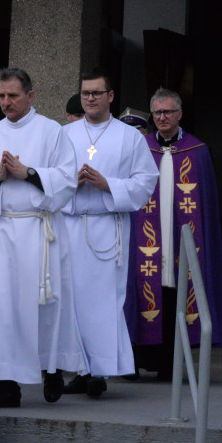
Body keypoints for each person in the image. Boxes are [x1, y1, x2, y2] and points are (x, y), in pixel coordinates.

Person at [0, 68, 87, 407]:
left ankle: (51, 370)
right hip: (1, 232)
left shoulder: (52, 132)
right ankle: (7, 383)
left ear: (30, 96)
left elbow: (65, 180)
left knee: (45, 305)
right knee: (1, 307)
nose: (6, 102)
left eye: (13, 96)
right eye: (2, 96)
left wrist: (29, 173)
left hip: (40, 231)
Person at [61, 72, 158, 397]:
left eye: (97, 93)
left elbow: (146, 181)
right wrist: (68, 183)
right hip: (70, 225)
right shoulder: (64, 134)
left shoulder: (129, 137)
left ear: (110, 96)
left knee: (102, 303)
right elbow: (49, 177)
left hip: (107, 226)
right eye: (86, 93)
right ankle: (78, 369)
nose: (91, 98)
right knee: (71, 301)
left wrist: (108, 184)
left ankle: (100, 372)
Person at [124, 89, 222, 380]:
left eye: (168, 112)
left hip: (181, 240)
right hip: (149, 239)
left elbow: (205, 205)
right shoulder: (140, 148)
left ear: (179, 114)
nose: (162, 117)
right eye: (157, 112)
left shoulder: (197, 151)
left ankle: (170, 366)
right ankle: (137, 360)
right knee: (143, 291)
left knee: (176, 294)